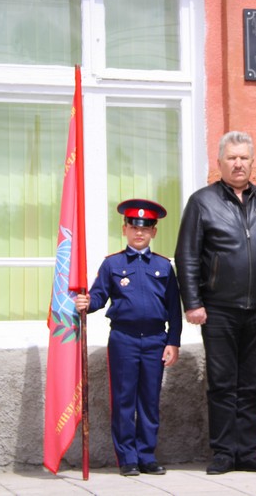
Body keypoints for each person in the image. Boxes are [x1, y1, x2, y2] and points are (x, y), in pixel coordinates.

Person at [174, 131, 256, 475]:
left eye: (244, 157)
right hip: (218, 310)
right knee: (223, 383)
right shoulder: (202, 202)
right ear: (220, 163)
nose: (238, 163)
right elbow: (187, 256)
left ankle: (249, 452)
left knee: (252, 385)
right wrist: (193, 303)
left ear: (252, 162)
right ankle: (224, 453)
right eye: (232, 158)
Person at [75, 199, 182, 477]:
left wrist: (174, 341)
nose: (139, 233)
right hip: (124, 340)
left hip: (156, 341)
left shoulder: (163, 266)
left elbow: (173, 307)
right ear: (125, 229)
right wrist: (87, 302)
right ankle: (127, 458)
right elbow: (99, 295)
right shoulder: (112, 264)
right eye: (134, 227)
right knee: (124, 400)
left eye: (145, 228)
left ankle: (147, 455)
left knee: (149, 400)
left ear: (154, 233)